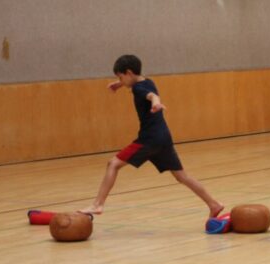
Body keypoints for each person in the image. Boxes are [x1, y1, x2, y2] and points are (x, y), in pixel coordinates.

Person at [78, 55, 224, 218]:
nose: (120, 80)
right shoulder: (147, 82)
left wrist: (155, 103)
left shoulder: (138, 89)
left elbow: (151, 96)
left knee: (113, 164)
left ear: (128, 72)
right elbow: (142, 86)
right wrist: (119, 84)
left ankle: (97, 205)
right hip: (163, 137)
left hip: (149, 139)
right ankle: (214, 204)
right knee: (182, 176)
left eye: (120, 77)